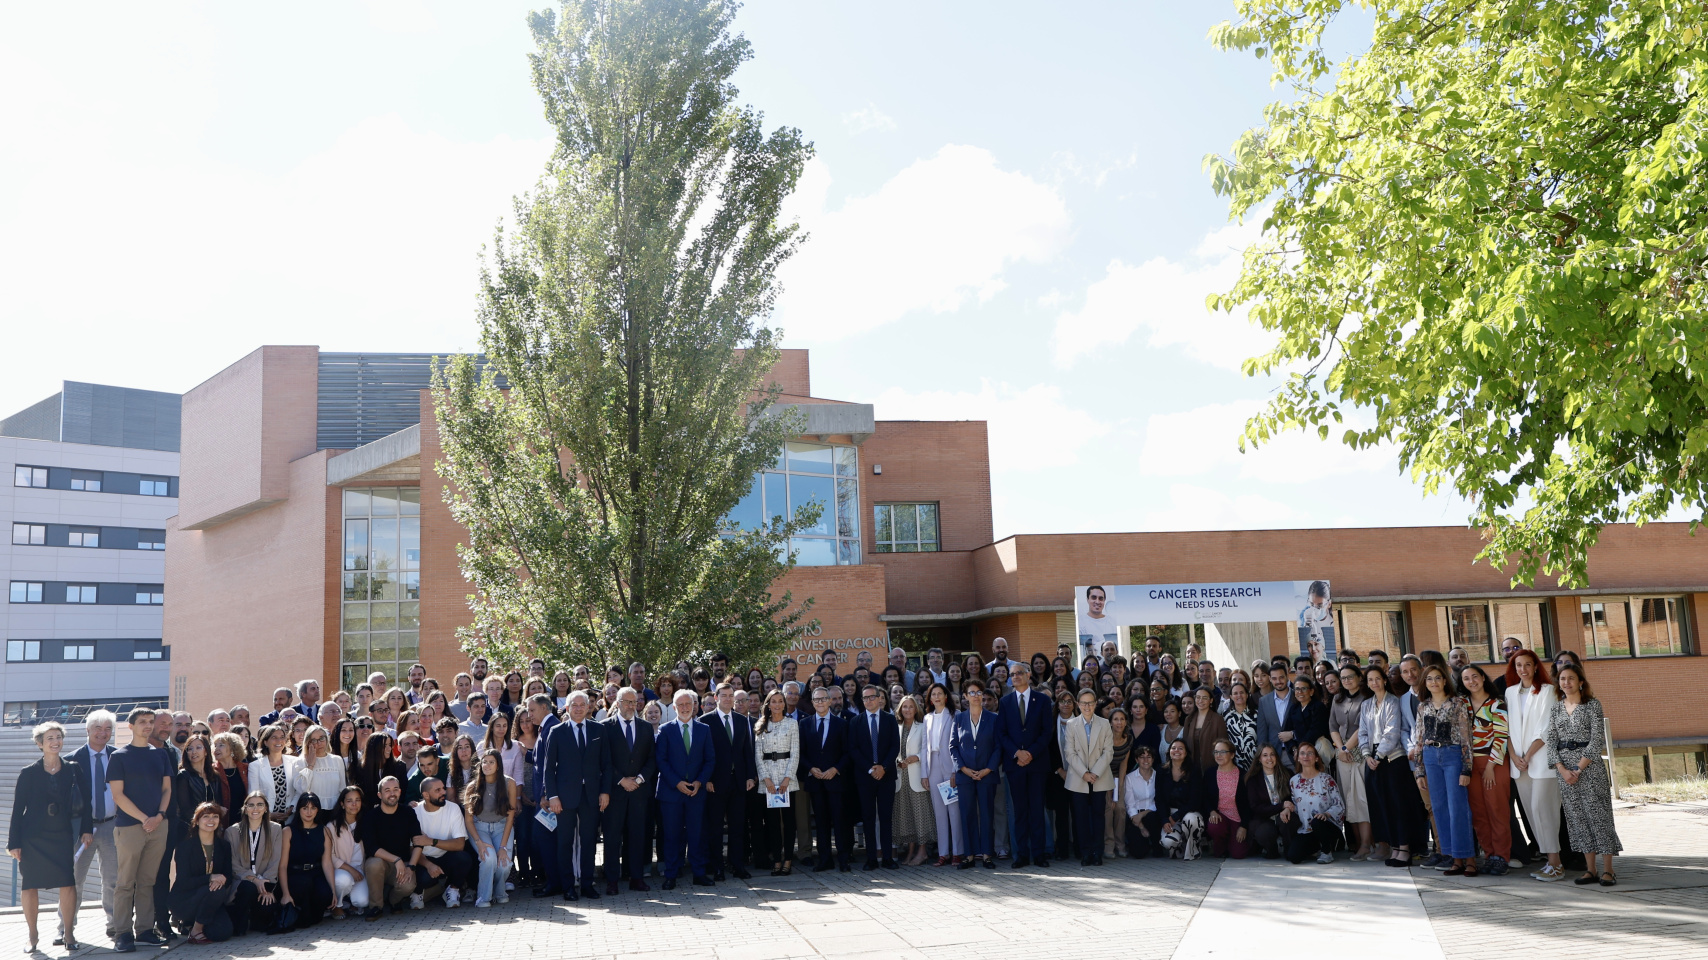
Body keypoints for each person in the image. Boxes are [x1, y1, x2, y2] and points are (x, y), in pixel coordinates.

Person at [9, 721, 91, 953]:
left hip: (62, 834)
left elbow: (87, 803)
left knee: (67, 881)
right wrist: (13, 843)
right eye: (50, 739)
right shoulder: (28, 773)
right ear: (40, 744)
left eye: (58, 737)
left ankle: (69, 933)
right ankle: (32, 935)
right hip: (32, 837)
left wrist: (86, 829)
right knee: (30, 884)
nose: (55, 742)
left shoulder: (74, 769)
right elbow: (18, 810)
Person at [109, 706, 175, 952]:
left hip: (158, 826)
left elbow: (167, 789)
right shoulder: (120, 756)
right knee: (126, 882)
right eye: (142, 722)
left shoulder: (160, 755)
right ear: (131, 726)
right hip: (129, 827)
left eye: (150, 721)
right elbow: (118, 795)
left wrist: (158, 816)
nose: (147, 725)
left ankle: (145, 930)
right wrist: (145, 818)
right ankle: (122, 933)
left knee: (147, 881)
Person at [1548, 664, 1621, 886]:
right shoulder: (1555, 709)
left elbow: (1596, 739)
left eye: (1571, 678)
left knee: (1599, 817)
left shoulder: (1592, 705)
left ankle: (1608, 870)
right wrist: (1562, 769)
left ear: (1581, 682)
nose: (1566, 682)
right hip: (1564, 771)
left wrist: (1579, 768)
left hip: (1589, 769)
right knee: (1577, 818)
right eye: (1562, 678)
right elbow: (1551, 741)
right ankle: (1591, 870)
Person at [544, 690, 610, 900]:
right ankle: (568, 887)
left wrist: (605, 791)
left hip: (591, 795)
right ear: (567, 708)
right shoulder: (556, 731)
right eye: (575, 705)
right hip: (564, 797)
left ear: (588, 707)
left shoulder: (598, 729)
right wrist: (552, 796)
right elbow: (548, 769)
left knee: (589, 840)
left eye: (583, 705)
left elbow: (606, 765)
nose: (579, 708)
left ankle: (588, 884)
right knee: (564, 842)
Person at [1506, 650, 1565, 881]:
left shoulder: (1548, 691)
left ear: (1535, 666)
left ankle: (1556, 864)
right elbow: (1507, 728)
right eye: (1519, 665)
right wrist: (1514, 756)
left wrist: (1527, 755)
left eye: (1527, 664)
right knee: (1531, 814)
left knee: (1544, 812)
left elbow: (1547, 728)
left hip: (1541, 763)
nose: (1523, 669)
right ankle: (1550, 863)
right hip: (1519, 764)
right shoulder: (1510, 692)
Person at [1359, 663, 1427, 867]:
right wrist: (1366, 755)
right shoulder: (1366, 705)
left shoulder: (1393, 702)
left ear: (1385, 680)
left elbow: (1393, 732)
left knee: (1398, 806)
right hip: (1372, 760)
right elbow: (1362, 732)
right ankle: (1394, 848)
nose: (1374, 683)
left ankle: (1404, 848)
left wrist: (1378, 756)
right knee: (1382, 807)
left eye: (1377, 678)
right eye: (1370, 679)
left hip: (1392, 760)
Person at [1412, 663, 1476, 875]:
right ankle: (1452, 858)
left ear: (1445, 680)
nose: (1433, 682)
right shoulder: (1423, 707)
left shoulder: (1458, 704)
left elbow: (1467, 738)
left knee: (1458, 807)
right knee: (1439, 808)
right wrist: (1419, 770)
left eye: (1437, 678)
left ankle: (1469, 859)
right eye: (1429, 679)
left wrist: (1466, 769)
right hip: (1430, 758)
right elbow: (1419, 740)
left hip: (1452, 755)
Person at [65, 709, 119, 946]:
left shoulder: (119, 757)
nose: (103, 733)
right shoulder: (71, 760)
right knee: (74, 880)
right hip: (80, 831)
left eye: (108, 728)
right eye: (98, 728)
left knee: (113, 880)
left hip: (112, 826)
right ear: (87, 730)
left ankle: (115, 925)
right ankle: (65, 927)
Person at [656, 689, 715, 889]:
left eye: (688, 704)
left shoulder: (704, 729)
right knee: (672, 835)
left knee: (696, 834)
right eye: (680, 705)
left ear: (694, 706)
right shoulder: (665, 730)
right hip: (671, 792)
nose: (684, 708)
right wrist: (677, 783)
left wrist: (699, 781)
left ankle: (699, 873)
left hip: (696, 792)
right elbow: (661, 761)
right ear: (674, 708)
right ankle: (671, 875)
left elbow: (710, 760)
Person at [996, 662, 1051, 869]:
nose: (1016, 676)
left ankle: (1039, 854)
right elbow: (1002, 733)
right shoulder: (1006, 701)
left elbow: (1046, 732)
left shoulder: (1043, 700)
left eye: (1019, 673)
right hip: (1015, 764)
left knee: (1037, 809)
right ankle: (1021, 855)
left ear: (1028, 675)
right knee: (1019, 811)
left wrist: (1030, 753)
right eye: (1012, 674)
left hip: (1037, 764)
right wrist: (1016, 753)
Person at [699, 683, 756, 881]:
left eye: (731, 696)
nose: (728, 699)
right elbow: (703, 755)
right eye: (724, 695)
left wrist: (750, 776)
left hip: (739, 781)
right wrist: (706, 779)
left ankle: (737, 865)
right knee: (715, 828)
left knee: (738, 827)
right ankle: (717, 867)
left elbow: (747, 751)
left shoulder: (742, 720)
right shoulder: (705, 721)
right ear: (716, 698)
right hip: (715, 783)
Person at [603, 686, 656, 893]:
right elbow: (603, 760)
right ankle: (612, 880)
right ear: (617, 703)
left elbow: (651, 759)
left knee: (637, 836)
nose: (631, 706)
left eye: (634, 702)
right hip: (615, 793)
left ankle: (636, 878)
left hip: (639, 792)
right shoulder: (605, 727)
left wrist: (640, 779)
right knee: (612, 837)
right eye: (626, 702)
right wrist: (620, 780)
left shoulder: (645, 727)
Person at [1461, 663, 1512, 876]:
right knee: (1479, 812)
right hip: (1469, 765)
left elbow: (1501, 736)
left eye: (1475, 676)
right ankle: (1489, 854)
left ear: (1482, 677)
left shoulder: (1496, 703)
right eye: (1466, 678)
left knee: (1497, 809)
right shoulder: (1461, 704)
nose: (1471, 681)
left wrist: (1491, 765)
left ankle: (1501, 856)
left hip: (1494, 763)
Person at [848, 684, 901, 870]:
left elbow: (895, 746)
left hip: (886, 775)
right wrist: (871, 769)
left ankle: (887, 858)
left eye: (872, 697)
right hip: (865, 777)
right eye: (865, 698)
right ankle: (871, 859)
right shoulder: (856, 721)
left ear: (880, 698)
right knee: (868, 818)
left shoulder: (890, 719)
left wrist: (883, 767)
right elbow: (853, 749)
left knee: (886, 817)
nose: (869, 700)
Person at [950, 678, 999, 869]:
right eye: (972, 692)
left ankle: (987, 855)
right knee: (967, 814)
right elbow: (953, 747)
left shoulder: (994, 718)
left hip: (987, 775)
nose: (976, 696)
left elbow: (998, 747)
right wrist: (963, 769)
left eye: (979, 692)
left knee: (987, 815)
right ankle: (969, 856)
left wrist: (987, 769)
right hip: (965, 776)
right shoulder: (959, 718)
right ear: (965, 696)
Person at [169, 802, 236, 944]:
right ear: (197, 821)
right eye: (206, 816)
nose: (211, 820)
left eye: (215, 816)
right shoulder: (185, 846)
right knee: (215, 890)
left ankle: (191, 924)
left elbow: (228, 877)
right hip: (185, 899)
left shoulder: (224, 846)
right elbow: (183, 881)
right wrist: (210, 878)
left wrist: (221, 879)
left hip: (211, 900)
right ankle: (196, 930)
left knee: (222, 933)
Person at [1063, 689, 1114, 865]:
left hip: (1099, 777)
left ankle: (1097, 853)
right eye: (1083, 703)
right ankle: (1085, 853)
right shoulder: (1071, 724)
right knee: (1081, 817)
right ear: (1078, 704)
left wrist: (1095, 773)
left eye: (1090, 702)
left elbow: (1108, 752)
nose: (1087, 706)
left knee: (1099, 816)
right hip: (1079, 778)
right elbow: (1069, 753)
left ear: (1095, 704)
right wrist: (1084, 773)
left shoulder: (1105, 723)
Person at [753, 688, 801, 876]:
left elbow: (795, 753)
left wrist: (787, 778)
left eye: (781, 701)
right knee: (772, 823)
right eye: (774, 701)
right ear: (768, 704)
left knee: (789, 822)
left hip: (787, 779)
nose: (778, 704)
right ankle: (777, 859)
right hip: (768, 781)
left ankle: (788, 859)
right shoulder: (760, 725)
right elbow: (758, 756)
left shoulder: (792, 724)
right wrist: (767, 780)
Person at [462, 749, 517, 908]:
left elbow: (510, 817)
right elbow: (469, 819)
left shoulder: (509, 783)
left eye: (491, 762)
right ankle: (484, 897)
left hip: (502, 827)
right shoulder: (472, 786)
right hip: (480, 828)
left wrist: (502, 847)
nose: (487, 765)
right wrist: (478, 842)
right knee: (489, 859)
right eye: (484, 762)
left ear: (498, 765)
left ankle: (500, 892)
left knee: (504, 863)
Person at [916, 683, 963, 867]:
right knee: (939, 812)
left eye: (939, 694)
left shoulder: (955, 715)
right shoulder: (927, 717)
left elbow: (959, 743)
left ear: (946, 696)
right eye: (933, 694)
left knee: (954, 810)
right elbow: (924, 746)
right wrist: (924, 774)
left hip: (950, 765)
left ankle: (958, 852)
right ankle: (943, 853)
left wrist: (955, 770)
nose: (936, 697)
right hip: (933, 765)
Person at [359, 777, 420, 917]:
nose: (392, 793)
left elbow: (418, 842)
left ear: (400, 792)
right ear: (379, 795)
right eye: (387, 790)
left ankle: (393, 900)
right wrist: (396, 859)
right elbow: (371, 848)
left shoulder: (408, 812)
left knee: (409, 886)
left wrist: (411, 867)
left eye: (395, 790)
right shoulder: (370, 816)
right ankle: (376, 907)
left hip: (403, 865)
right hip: (380, 863)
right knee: (374, 864)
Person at [1330, 665, 1373, 859]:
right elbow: (1332, 726)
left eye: (1350, 677)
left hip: (1360, 753)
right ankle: (1356, 844)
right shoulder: (1337, 699)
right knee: (1348, 800)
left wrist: (1346, 748)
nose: (1346, 681)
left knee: (1361, 800)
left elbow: (1361, 726)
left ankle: (1367, 844)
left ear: (1359, 677)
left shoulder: (1366, 698)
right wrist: (1340, 749)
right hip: (1342, 756)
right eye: (1343, 677)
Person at [411, 778, 476, 908]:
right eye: (438, 790)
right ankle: (418, 892)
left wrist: (431, 841)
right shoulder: (414, 812)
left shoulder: (453, 808)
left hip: (447, 856)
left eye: (443, 788)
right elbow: (410, 849)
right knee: (423, 878)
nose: (443, 792)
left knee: (464, 859)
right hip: (423, 859)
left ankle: (452, 889)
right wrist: (428, 865)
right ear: (426, 795)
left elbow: (460, 844)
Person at [224, 792, 281, 937]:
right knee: (248, 888)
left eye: (260, 804)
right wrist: (253, 879)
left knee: (265, 917)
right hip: (242, 883)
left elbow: (275, 861)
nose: (255, 809)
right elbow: (233, 864)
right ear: (245, 808)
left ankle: (255, 919)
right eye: (251, 805)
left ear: (266, 809)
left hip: (265, 882)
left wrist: (266, 886)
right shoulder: (232, 831)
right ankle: (239, 925)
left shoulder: (275, 829)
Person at [1285, 743, 1345, 864]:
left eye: (1310, 753)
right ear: (1298, 758)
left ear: (1316, 758)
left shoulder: (1327, 779)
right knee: (1293, 857)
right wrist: (1287, 808)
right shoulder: (1293, 781)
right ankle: (1318, 846)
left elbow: (1339, 805)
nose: (1306, 756)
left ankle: (1327, 852)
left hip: (1327, 826)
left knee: (1317, 821)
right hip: (1307, 829)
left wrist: (1327, 814)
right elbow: (1295, 806)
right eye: (1302, 753)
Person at [278, 794, 331, 927]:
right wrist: (285, 894)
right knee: (302, 922)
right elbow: (283, 865)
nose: (309, 812)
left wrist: (334, 892)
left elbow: (327, 862)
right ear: (299, 810)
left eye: (313, 808)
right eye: (305, 808)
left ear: (318, 810)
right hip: (295, 876)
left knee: (325, 894)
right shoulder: (288, 831)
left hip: (315, 873)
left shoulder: (324, 830)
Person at [1201, 738, 1251, 859]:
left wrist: (1244, 826)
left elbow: (1249, 804)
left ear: (1232, 754)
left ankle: (1233, 843)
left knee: (1239, 854)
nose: (1218, 755)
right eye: (1216, 752)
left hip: (1238, 819)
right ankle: (1220, 845)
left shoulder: (1243, 775)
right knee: (1214, 827)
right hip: (1220, 817)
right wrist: (1212, 811)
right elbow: (1204, 797)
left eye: (1223, 752)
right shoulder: (1210, 773)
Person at [325, 786, 369, 919]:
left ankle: (350, 903)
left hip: (360, 869)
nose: (354, 804)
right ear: (342, 804)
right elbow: (330, 856)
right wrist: (350, 869)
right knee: (343, 881)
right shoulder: (332, 826)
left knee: (362, 901)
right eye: (349, 801)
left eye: (357, 800)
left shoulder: (366, 822)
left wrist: (357, 871)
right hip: (341, 869)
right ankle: (337, 906)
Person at [1156, 740, 1204, 860]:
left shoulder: (1194, 771)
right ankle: (1180, 846)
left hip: (1189, 812)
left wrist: (1176, 816)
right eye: (1173, 748)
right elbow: (1159, 798)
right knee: (1168, 842)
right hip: (1169, 814)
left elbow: (1195, 800)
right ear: (1169, 751)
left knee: (1191, 821)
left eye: (1180, 748)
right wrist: (1164, 819)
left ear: (1186, 753)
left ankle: (1194, 849)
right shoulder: (1161, 770)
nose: (1176, 751)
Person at [249, 724, 305, 823]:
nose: (279, 741)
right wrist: (268, 814)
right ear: (265, 742)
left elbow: (299, 789)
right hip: (265, 820)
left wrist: (292, 808)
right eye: (274, 737)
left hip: (290, 819)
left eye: (282, 737)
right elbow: (253, 795)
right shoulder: (255, 766)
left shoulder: (295, 762)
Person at [1244, 745, 1291, 859]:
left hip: (1283, 815)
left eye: (1272, 754)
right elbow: (1255, 807)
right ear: (1259, 759)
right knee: (1264, 832)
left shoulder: (1287, 773)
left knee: (1290, 821)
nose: (1269, 758)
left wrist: (1286, 808)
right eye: (1265, 755)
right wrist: (1281, 806)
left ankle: (1289, 850)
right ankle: (1271, 850)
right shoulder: (1253, 779)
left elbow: (1292, 797)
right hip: (1264, 818)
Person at [295, 725, 347, 813]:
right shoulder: (301, 761)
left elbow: (342, 788)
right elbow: (302, 789)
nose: (319, 743)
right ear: (308, 743)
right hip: (311, 812)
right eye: (314, 740)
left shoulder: (337, 759)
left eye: (322, 738)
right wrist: (310, 765)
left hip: (335, 811)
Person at [1122, 745, 1162, 858]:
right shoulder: (1129, 778)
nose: (1145, 760)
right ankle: (1144, 843)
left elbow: (1159, 800)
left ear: (1153, 759)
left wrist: (1143, 813)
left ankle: (1156, 846)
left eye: (1149, 757)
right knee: (1138, 854)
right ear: (1136, 760)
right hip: (1135, 817)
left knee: (1152, 817)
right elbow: (1130, 804)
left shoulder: (1158, 776)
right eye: (1142, 757)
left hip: (1153, 815)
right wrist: (1141, 826)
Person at [1184, 687, 1228, 776]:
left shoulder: (1218, 719)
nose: (1200, 700)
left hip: (1212, 766)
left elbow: (1224, 744)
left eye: (1205, 698)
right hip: (1192, 768)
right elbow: (1185, 744)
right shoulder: (1189, 719)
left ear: (1211, 700)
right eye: (1198, 697)